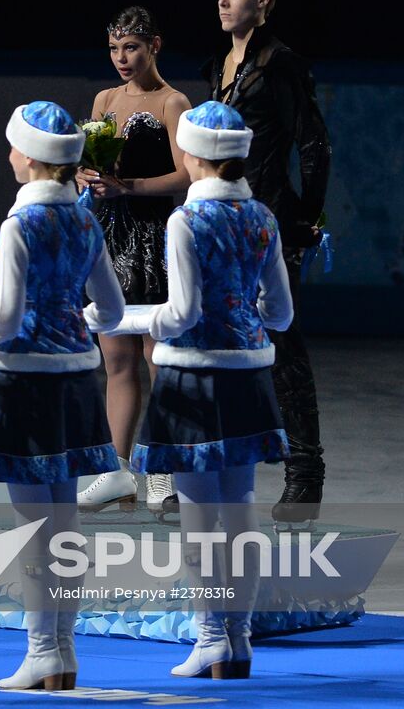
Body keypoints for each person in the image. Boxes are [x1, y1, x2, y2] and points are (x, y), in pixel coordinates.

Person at [0, 101, 126, 692]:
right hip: (79, 379)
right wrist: (69, 317)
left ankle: (42, 652)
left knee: (35, 526)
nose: (7, 154)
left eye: (12, 145)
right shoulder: (84, 221)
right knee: (64, 523)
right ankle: (61, 651)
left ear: (29, 157)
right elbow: (110, 310)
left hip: (26, 382)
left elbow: (3, 320)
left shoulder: (18, 225)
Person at [131, 101, 293, 679]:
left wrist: (135, 322)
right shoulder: (262, 218)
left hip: (194, 375)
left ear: (194, 154)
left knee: (200, 515)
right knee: (240, 509)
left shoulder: (186, 220)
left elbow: (181, 313)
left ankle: (209, 638)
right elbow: (280, 313)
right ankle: (239, 639)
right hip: (248, 373)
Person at [207, 0, 330, 522]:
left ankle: (306, 471)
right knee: (229, 345)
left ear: (263, 2)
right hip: (224, 221)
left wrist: (305, 220)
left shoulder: (280, 64)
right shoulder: (221, 65)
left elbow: (313, 145)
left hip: (270, 221)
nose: (223, 0)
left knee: (281, 343)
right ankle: (234, 461)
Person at [75, 7, 191, 518]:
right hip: (109, 237)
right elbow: (95, 162)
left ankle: (161, 470)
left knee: (156, 359)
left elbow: (188, 175)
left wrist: (131, 187)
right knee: (116, 362)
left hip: (154, 239)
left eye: (132, 48)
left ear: (155, 46)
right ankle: (116, 471)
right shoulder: (104, 99)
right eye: (115, 48)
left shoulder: (174, 102)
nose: (122, 59)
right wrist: (87, 175)